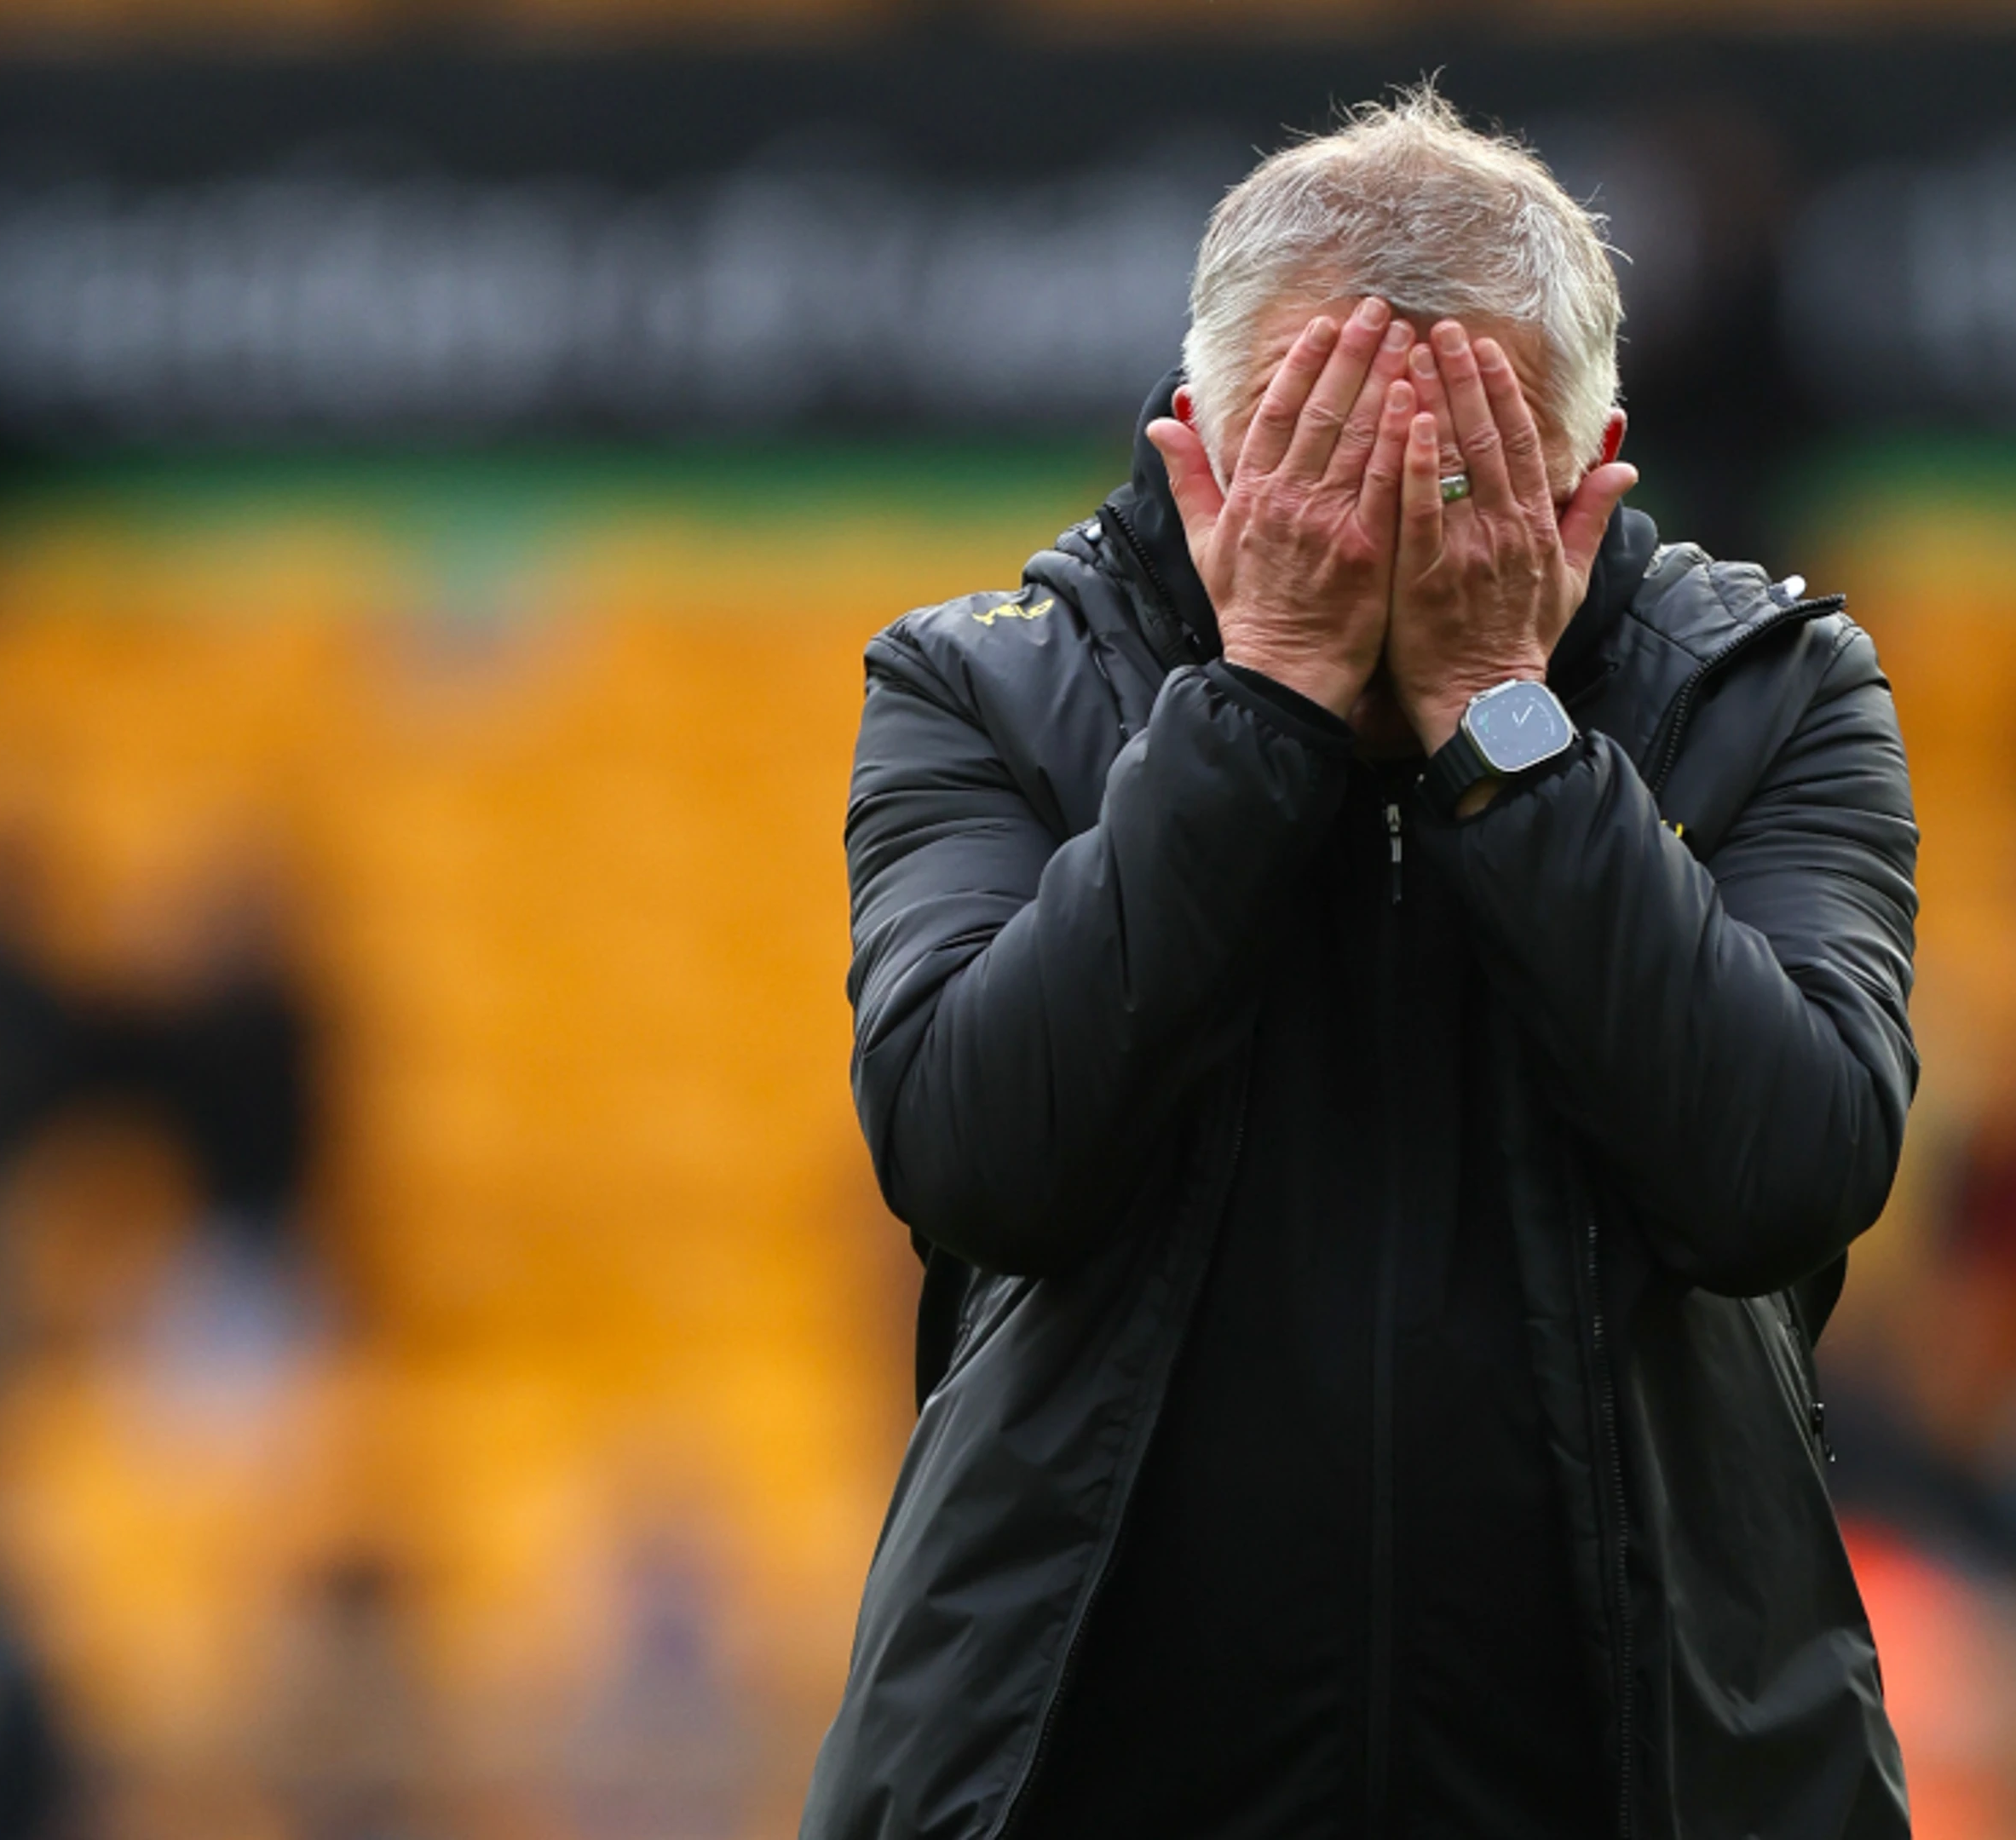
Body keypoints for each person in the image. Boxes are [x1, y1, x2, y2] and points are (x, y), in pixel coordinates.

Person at [810, 88, 1919, 1840]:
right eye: (1322, 459)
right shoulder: (981, 690)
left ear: (1590, 472)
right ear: (1197, 453)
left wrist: (1509, 728)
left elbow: (1783, 1176)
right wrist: (1259, 711)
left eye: (1467, 468)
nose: (1391, 527)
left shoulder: (1772, 691)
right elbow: (975, 1160)